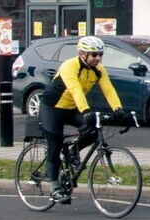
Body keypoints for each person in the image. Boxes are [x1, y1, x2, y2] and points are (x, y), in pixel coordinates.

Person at [42, 36, 129, 203]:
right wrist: (86, 110)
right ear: (82, 54)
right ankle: (54, 188)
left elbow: (109, 89)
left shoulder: (99, 70)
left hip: (72, 108)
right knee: (55, 145)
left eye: (100, 55)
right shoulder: (69, 66)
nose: (98, 58)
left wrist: (118, 109)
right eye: (94, 55)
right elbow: (75, 90)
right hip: (52, 108)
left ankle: (74, 150)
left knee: (94, 131)